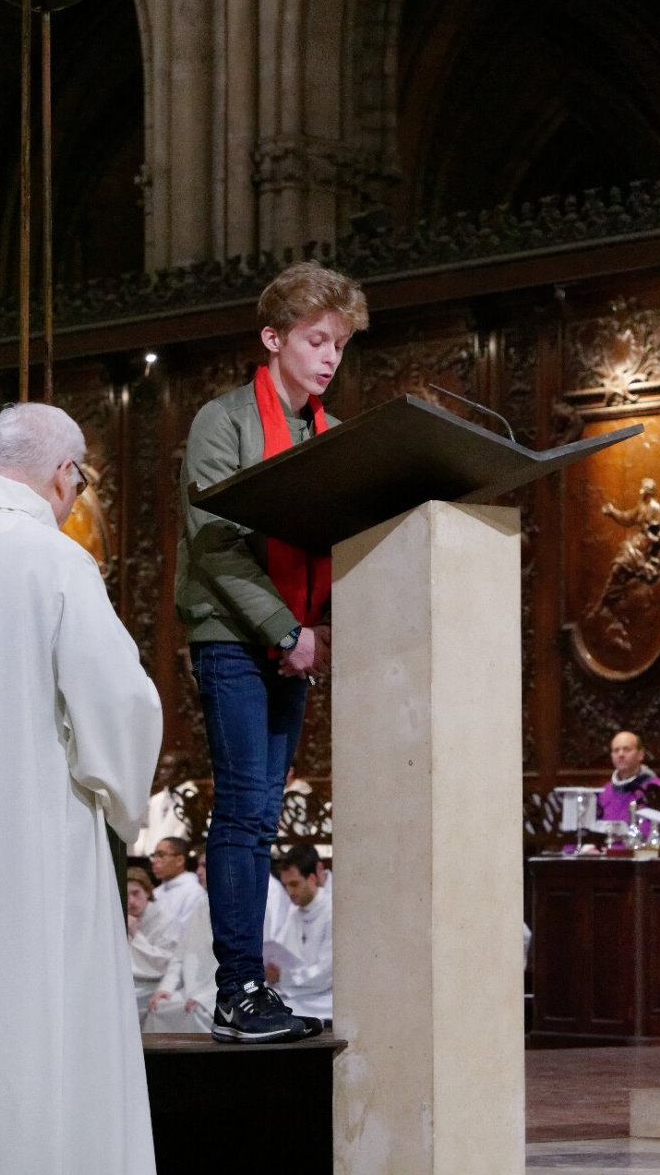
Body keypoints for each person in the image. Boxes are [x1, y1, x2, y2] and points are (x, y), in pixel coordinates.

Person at [0, 402, 163, 1175]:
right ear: (63, 475)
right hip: (40, 845)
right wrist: (121, 800)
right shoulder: (51, 558)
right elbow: (121, 705)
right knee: (44, 1031)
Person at [175, 260, 368, 1042]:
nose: (329, 357)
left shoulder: (332, 434)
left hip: (300, 645)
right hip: (236, 636)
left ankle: (249, 993)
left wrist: (316, 634)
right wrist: (285, 632)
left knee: (260, 813)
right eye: (316, 340)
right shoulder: (223, 421)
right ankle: (237, 990)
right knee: (247, 815)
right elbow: (215, 543)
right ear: (273, 337)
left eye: (340, 345)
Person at [145, 850, 217, 1034]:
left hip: (215, 993)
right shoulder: (202, 904)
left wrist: (207, 998)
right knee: (157, 1009)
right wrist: (166, 988)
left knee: (197, 1014)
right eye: (198, 866)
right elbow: (181, 953)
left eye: (204, 866)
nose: (198, 872)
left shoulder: (237, 907)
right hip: (190, 990)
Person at [265, 845, 333, 1025]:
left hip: (323, 1000)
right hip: (297, 993)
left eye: (294, 884)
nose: (290, 892)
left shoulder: (332, 912)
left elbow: (328, 972)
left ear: (311, 878)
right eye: (286, 885)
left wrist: (283, 976)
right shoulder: (294, 914)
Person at [127, 866, 182, 1022]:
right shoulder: (121, 917)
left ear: (147, 892)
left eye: (136, 893)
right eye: (125, 895)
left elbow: (165, 963)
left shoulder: (166, 919)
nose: (131, 901)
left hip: (156, 983)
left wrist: (136, 935)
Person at [129, 749, 195, 858]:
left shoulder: (193, 798)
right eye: (161, 767)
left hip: (177, 860)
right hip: (151, 860)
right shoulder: (155, 799)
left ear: (182, 771)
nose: (162, 772)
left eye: (167, 768)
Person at [597, 730, 660, 827]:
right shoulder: (604, 791)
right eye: (616, 750)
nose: (620, 754)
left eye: (626, 749)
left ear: (640, 754)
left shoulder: (656, 788)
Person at [149, 835, 206, 933]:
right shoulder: (155, 892)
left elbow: (186, 933)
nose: (154, 861)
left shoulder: (194, 892)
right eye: (154, 856)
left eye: (161, 855)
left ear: (180, 860)